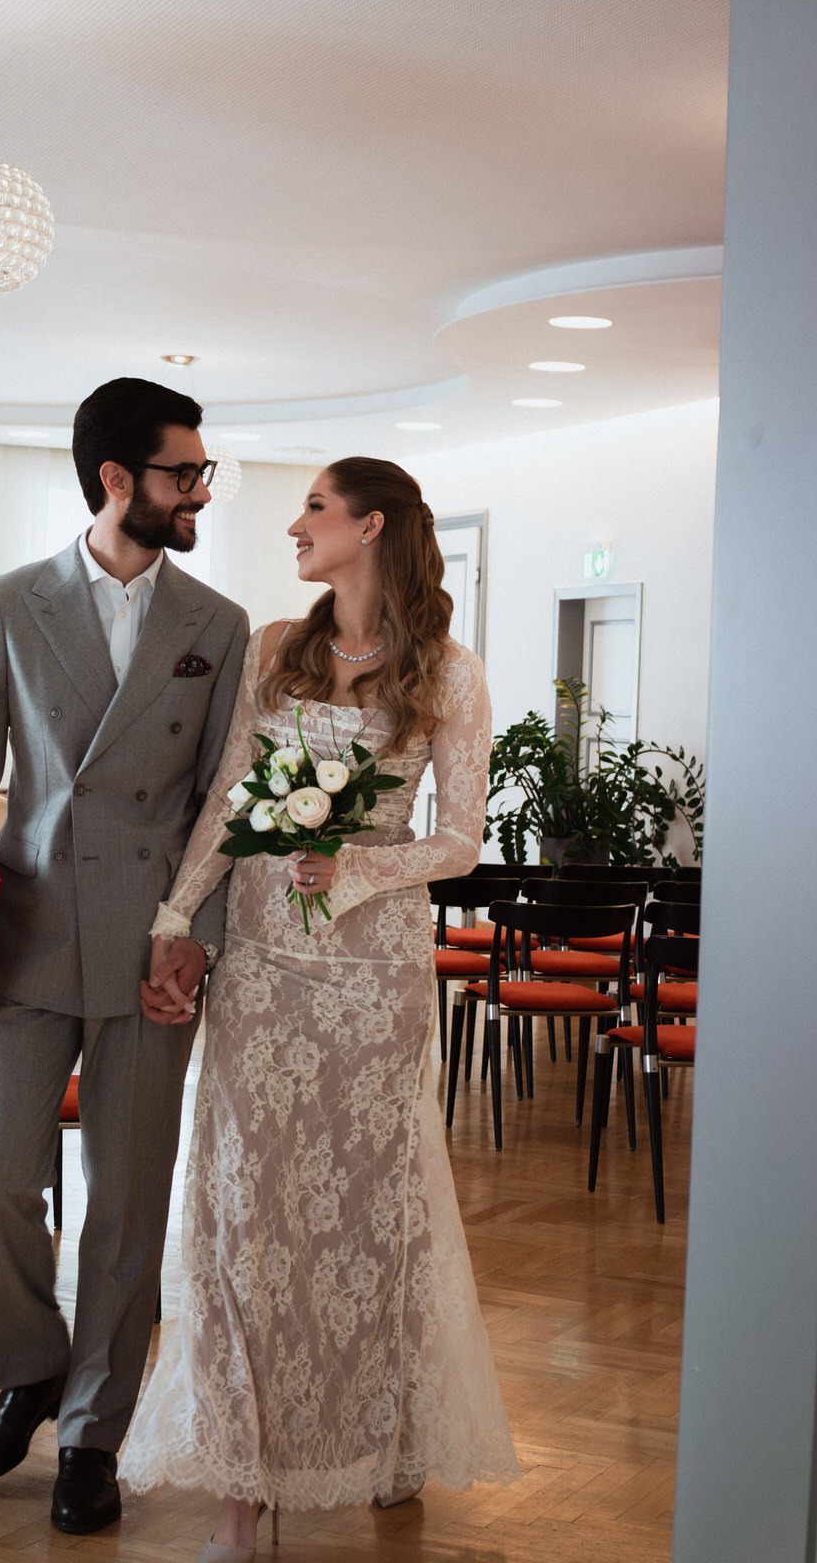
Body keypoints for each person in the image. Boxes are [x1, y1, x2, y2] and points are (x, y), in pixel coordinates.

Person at [121, 458, 518, 1560]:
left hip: (373, 974)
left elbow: (460, 837)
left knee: (363, 1214)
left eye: (314, 508)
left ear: (370, 526)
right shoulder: (276, 653)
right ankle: (242, 1490)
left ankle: (379, 1434)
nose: (294, 525)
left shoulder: (449, 672)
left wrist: (350, 867)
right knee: (245, 1210)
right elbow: (228, 797)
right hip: (261, 959)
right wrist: (175, 911)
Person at [0, 377, 249, 1538]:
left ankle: (93, 1432)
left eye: (203, 471)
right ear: (117, 479)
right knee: (2, 1165)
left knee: (126, 1200)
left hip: (153, 947)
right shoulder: (10, 601)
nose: (199, 488)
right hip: (29, 935)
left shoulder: (217, 622)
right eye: (183, 472)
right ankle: (29, 1368)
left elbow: (220, 803)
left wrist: (194, 942)